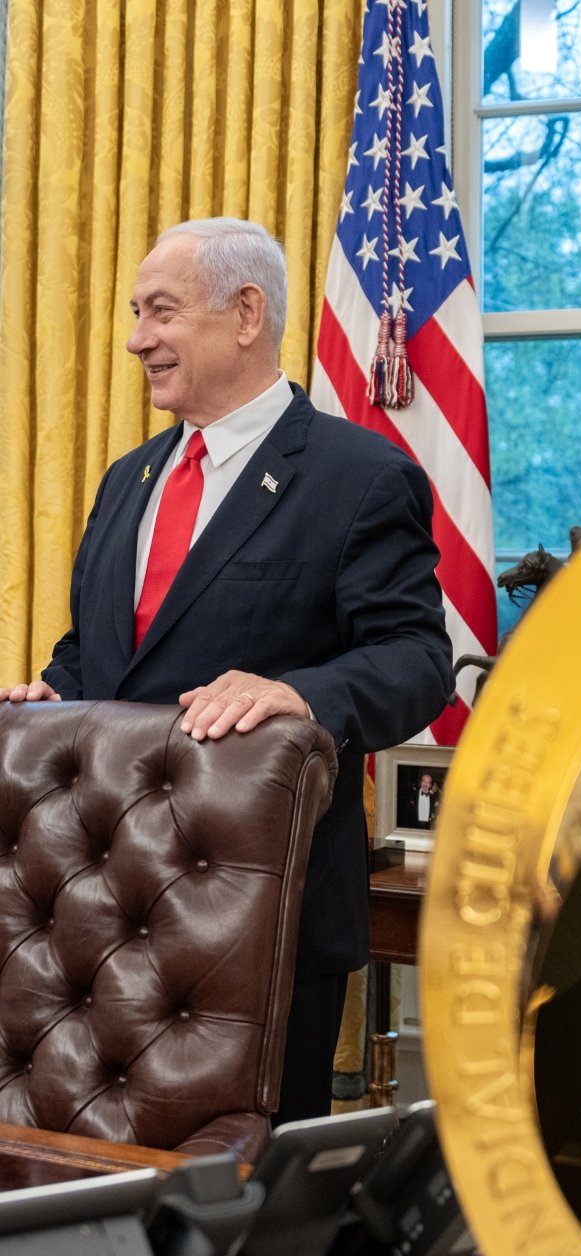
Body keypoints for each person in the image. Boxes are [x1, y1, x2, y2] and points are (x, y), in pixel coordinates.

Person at [3, 218, 454, 1124]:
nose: (137, 338)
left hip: (255, 919)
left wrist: (300, 693)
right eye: (136, 314)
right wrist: (55, 691)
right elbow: (98, 653)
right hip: (95, 911)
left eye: (160, 312)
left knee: (237, 1214)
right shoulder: (127, 480)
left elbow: (418, 661)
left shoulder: (358, 476)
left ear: (246, 313)